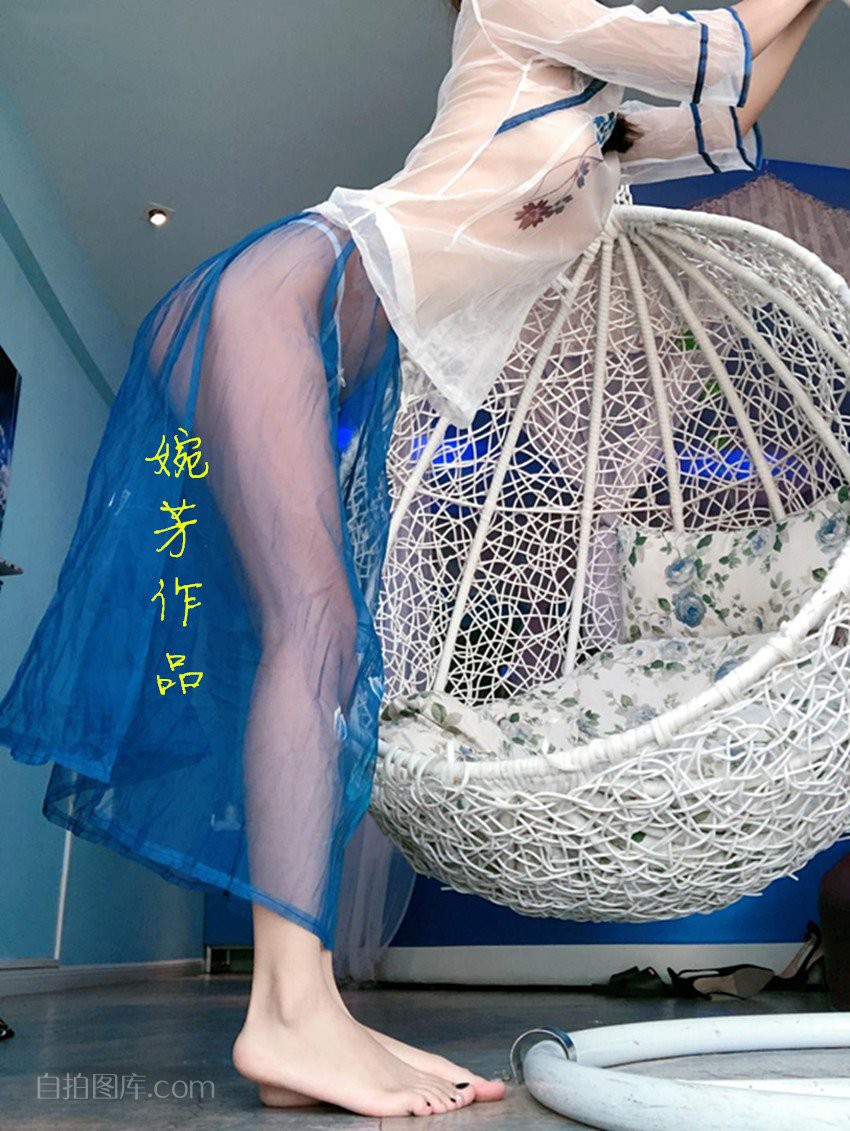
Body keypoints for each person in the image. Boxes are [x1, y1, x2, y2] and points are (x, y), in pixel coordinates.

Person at [0, 0, 835, 1119]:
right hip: (275, 300)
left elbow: (731, 101)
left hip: (307, 341)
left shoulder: (599, 131)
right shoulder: (510, 10)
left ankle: (307, 1010)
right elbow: (714, 47)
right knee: (318, 628)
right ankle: (286, 1014)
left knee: (327, 641)